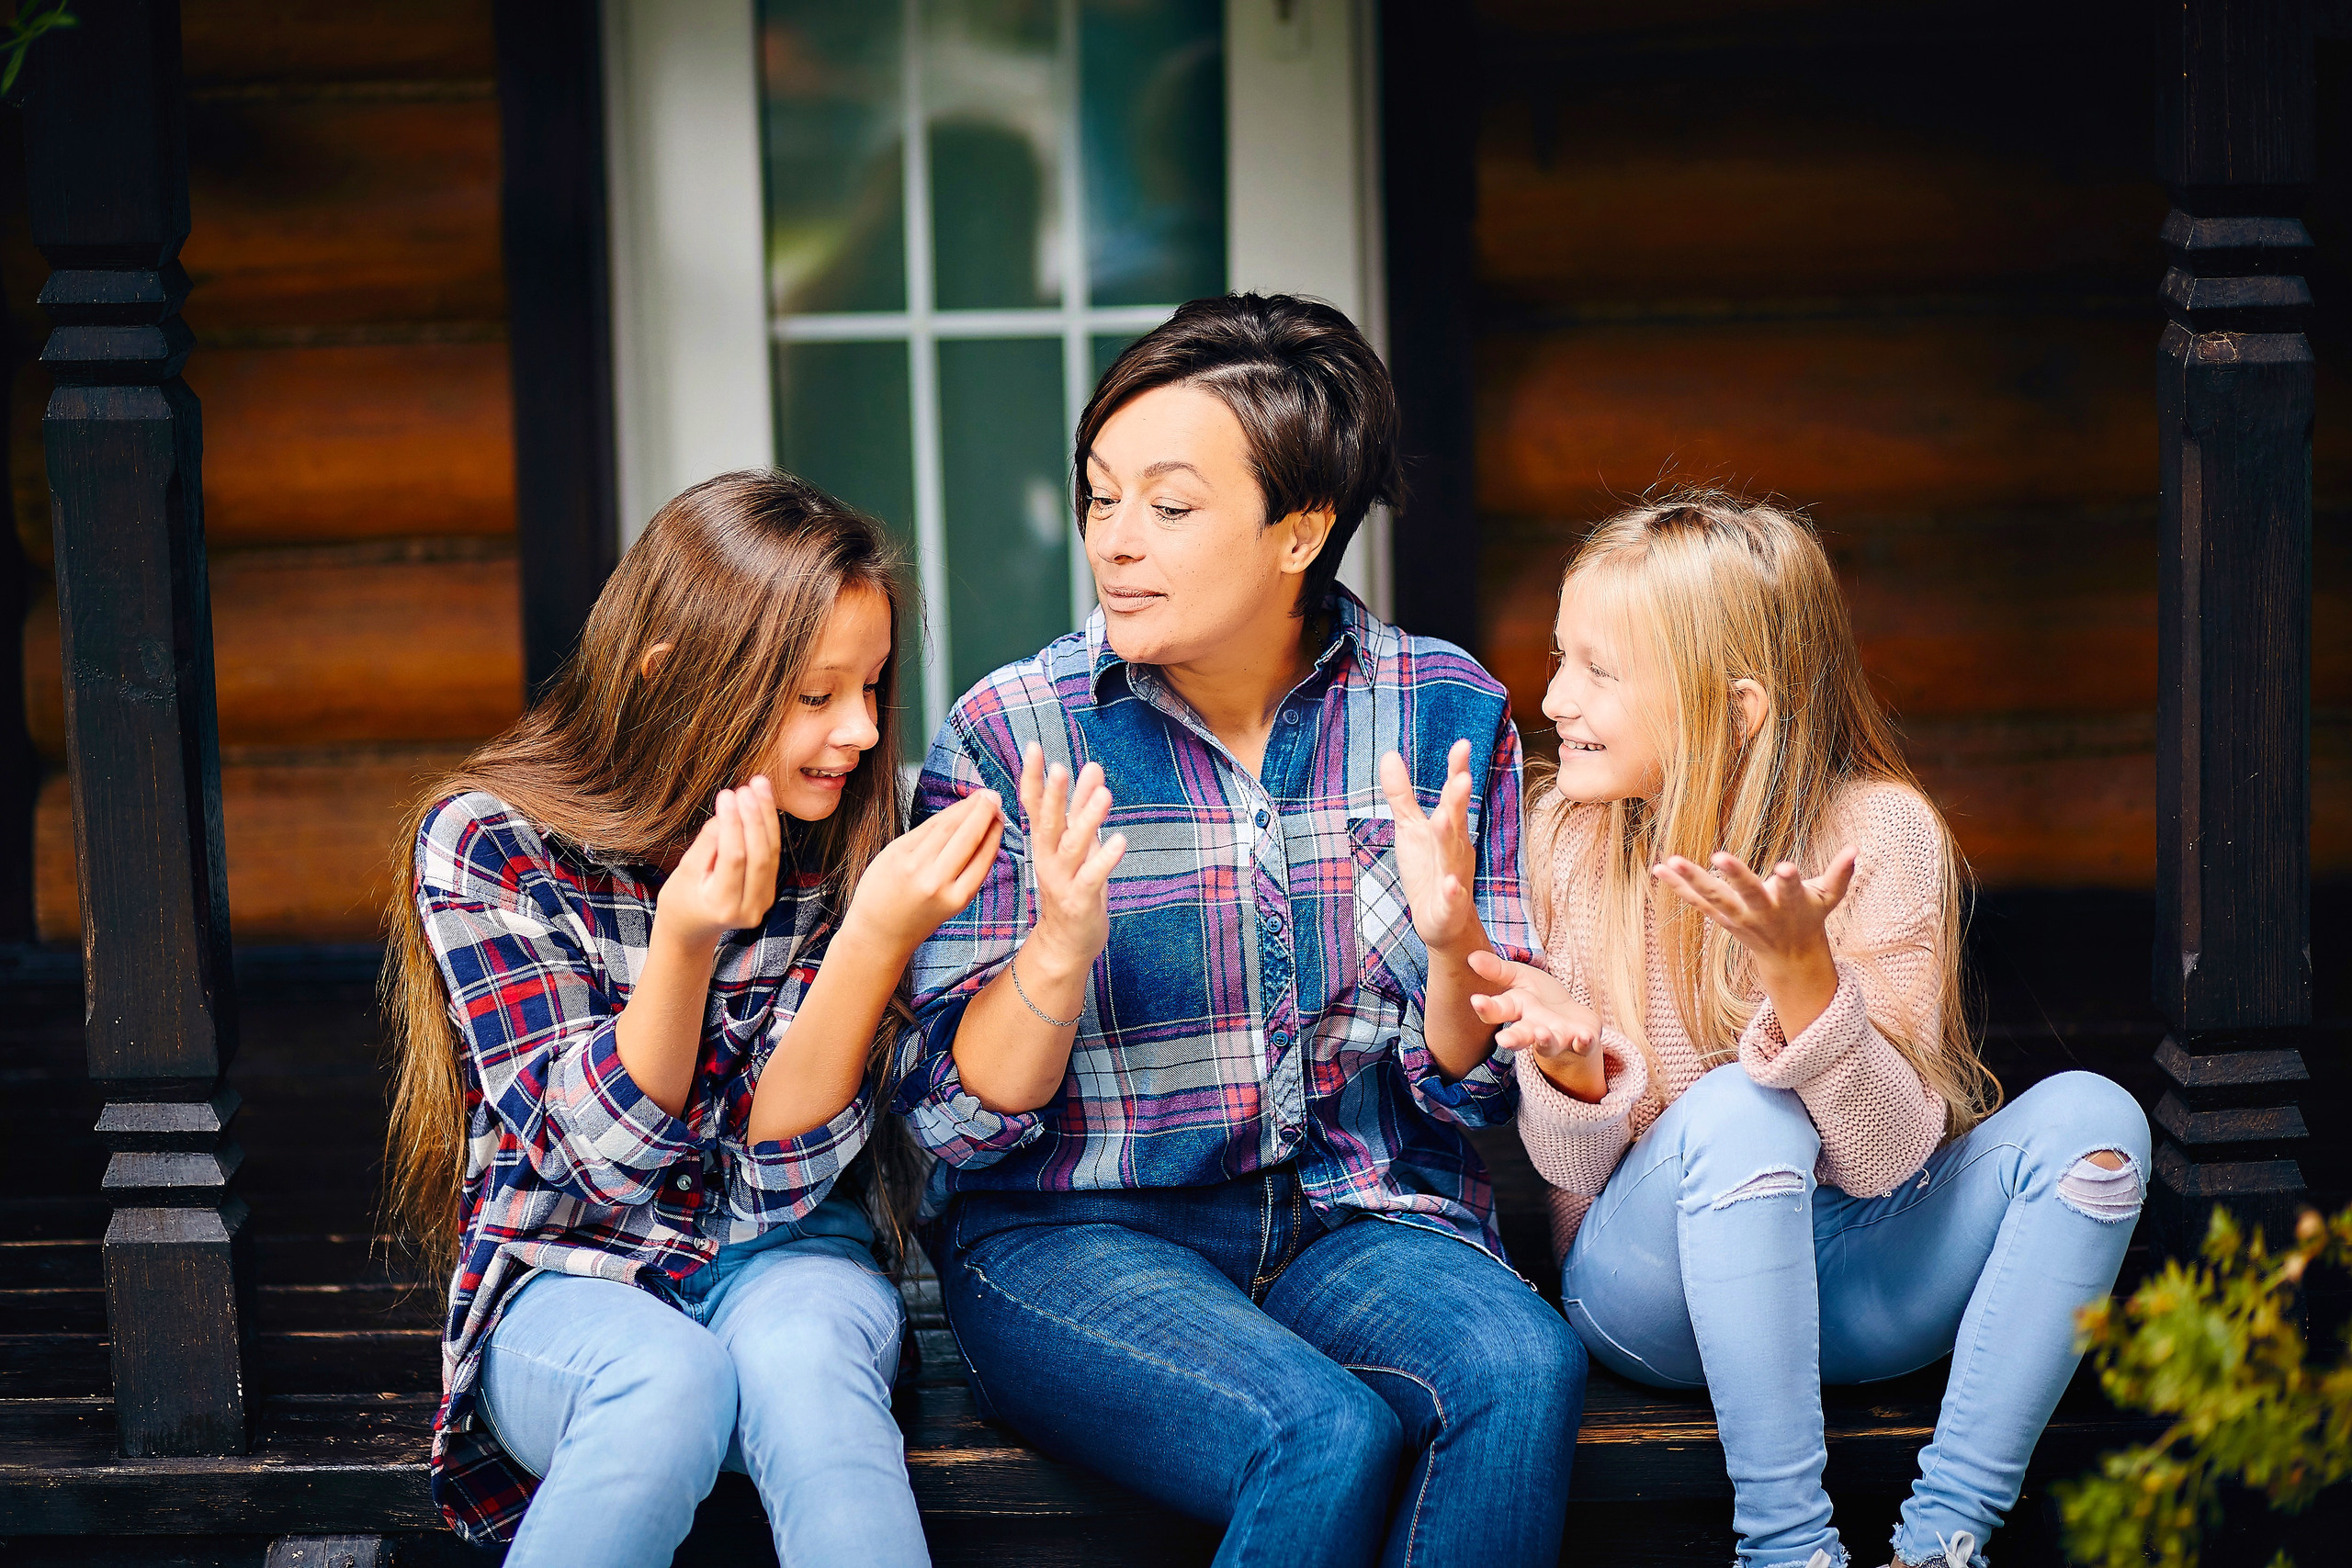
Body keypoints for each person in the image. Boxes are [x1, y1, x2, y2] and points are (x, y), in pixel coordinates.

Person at [898, 293, 1587, 1568]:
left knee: (1520, 1365)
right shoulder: (1012, 732)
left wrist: (1454, 955)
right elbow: (953, 1115)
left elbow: (1474, 1084)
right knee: (1319, 1431)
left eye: (1169, 506)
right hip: (1074, 1232)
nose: (1115, 542)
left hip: (1355, 1212)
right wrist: (1054, 952)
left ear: (1299, 530)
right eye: (1101, 498)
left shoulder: (1441, 707)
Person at [1469, 489, 2151, 1568]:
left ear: (1738, 709)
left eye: (1599, 671)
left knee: (2099, 1123)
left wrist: (1804, 984)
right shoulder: (1567, 839)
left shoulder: (1883, 835)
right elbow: (1574, 1173)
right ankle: (1787, 1547)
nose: (1553, 697)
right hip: (1651, 1299)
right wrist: (1571, 1072)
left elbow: (1884, 1162)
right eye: (1561, 658)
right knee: (1743, 1111)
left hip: (1858, 1288)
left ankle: (1942, 1540)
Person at [381, 471, 1007, 1566]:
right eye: (814, 697)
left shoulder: (854, 840)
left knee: (807, 1370)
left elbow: (776, 1184)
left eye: (871, 687)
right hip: (565, 1273)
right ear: (673, 677)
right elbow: (598, 1164)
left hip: (790, 1255)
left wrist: (869, 940)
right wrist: (682, 940)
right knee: (665, 1381)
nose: (861, 731)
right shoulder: (488, 843)